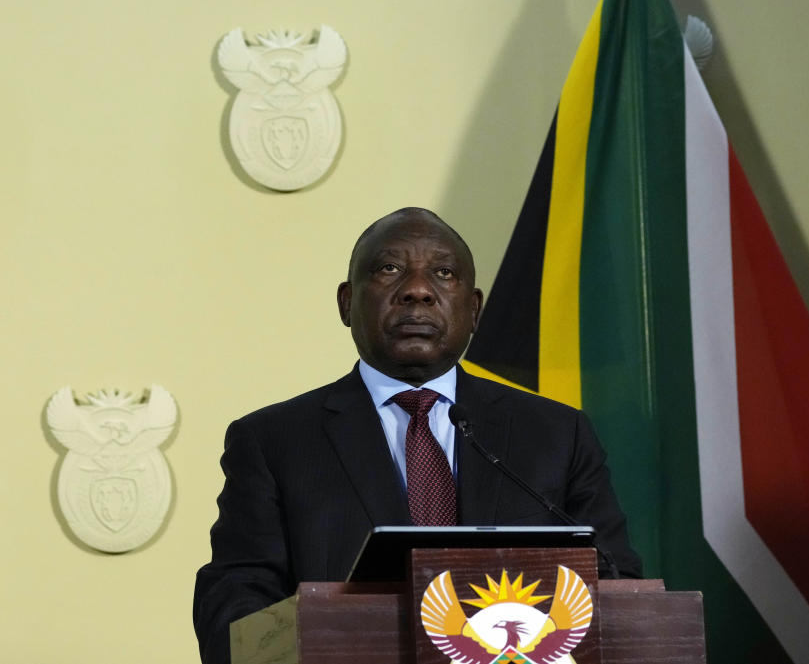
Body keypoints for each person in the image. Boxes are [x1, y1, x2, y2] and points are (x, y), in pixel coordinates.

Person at [193, 207, 642, 664]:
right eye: (389, 269)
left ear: (474, 310)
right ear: (347, 302)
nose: (417, 290)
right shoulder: (274, 440)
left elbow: (616, 578)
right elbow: (235, 596)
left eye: (444, 273)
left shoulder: (556, 434)